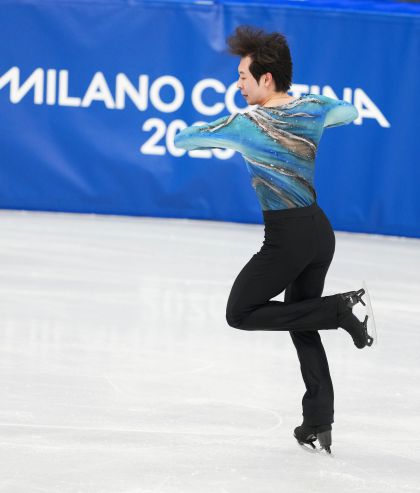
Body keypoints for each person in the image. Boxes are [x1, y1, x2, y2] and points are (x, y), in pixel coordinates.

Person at [174, 25, 374, 454]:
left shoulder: (248, 123)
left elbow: (186, 139)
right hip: (319, 232)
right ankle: (317, 421)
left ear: (266, 78)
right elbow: (349, 112)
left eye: (243, 77)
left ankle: (339, 309)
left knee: (240, 312)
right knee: (301, 320)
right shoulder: (314, 107)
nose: (238, 85)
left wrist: (213, 133)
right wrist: (308, 111)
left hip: (288, 238)